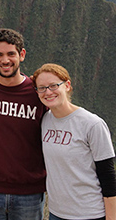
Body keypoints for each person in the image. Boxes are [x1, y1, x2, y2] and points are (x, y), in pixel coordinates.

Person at [0, 28, 46, 220]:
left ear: (21, 55)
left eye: (11, 54)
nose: (5, 60)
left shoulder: (38, 94)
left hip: (29, 193)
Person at [32, 63, 116, 220]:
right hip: (56, 213)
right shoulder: (45, 120)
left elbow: (108, 176)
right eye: (42, 88)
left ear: (67, 85)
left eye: (53, 86)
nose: (48, 92)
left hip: (89, 214)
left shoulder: (92, 124)